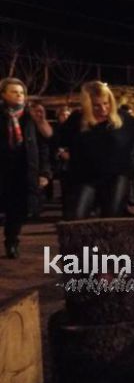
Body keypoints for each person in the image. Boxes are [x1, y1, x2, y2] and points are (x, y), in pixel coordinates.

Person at [52, 81, 134, 220]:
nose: (103, 109)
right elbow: (56, 137)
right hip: (86, 176)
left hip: (116, 176)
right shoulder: (77, 120)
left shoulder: (122, 119)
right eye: (96, 106)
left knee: (111, 217)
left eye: (106, 103)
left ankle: (107, 240)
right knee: (76, 217)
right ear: (88, 106)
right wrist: (43, 126)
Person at [0, 78, 50, 258]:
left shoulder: (31, 117)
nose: (19, 95)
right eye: (14, 92)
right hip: (3, 168)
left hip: (24, 169)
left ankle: (12, 241)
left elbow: (44, 146)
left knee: (17, 210)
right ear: (4, 94)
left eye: (21, 92)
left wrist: (44, 172)